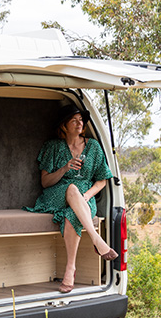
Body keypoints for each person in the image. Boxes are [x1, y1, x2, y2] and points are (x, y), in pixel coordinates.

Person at [24, 104, 118, 293]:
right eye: (74, 120)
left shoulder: (93, 147)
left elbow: (101, 182)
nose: (79, 123)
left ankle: (70, 269)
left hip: (84, 196)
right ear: (64, 126)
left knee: (72, 215)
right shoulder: (53, 146)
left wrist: (86, 196)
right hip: (56, 193)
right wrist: (65, 168)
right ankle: (96, 239)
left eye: (81, 120)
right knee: (71, 188)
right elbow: (45, 182)